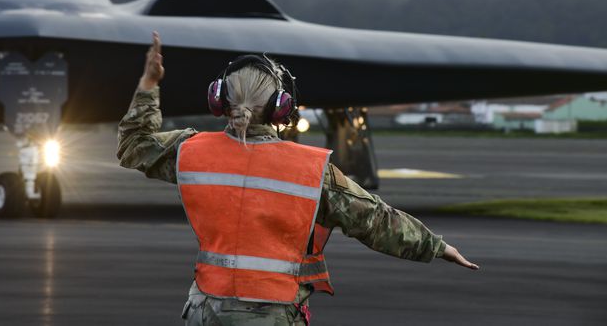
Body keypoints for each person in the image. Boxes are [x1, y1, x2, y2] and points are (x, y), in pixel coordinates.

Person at [117, 32, 479, 325]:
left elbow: (134, 144)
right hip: (270, 315)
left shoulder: (190, 151)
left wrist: (149, 83)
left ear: (219, 99)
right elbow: (375, 220)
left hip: (204, 310)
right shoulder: (310, 170)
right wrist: (436, 247)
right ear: (282, 108)